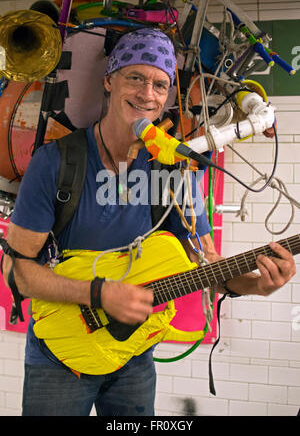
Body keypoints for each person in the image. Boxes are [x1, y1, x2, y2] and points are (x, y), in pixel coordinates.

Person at [2, 27, 296, 416]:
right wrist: (99, 294)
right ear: (109, 80)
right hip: (60, 355)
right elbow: (17, 271)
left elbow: (204, 265)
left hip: (134, 355)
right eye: (135, 78)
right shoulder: (56, 162)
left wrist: (256, 286)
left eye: (160, 84)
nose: (147, 94)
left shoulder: (176, 171)